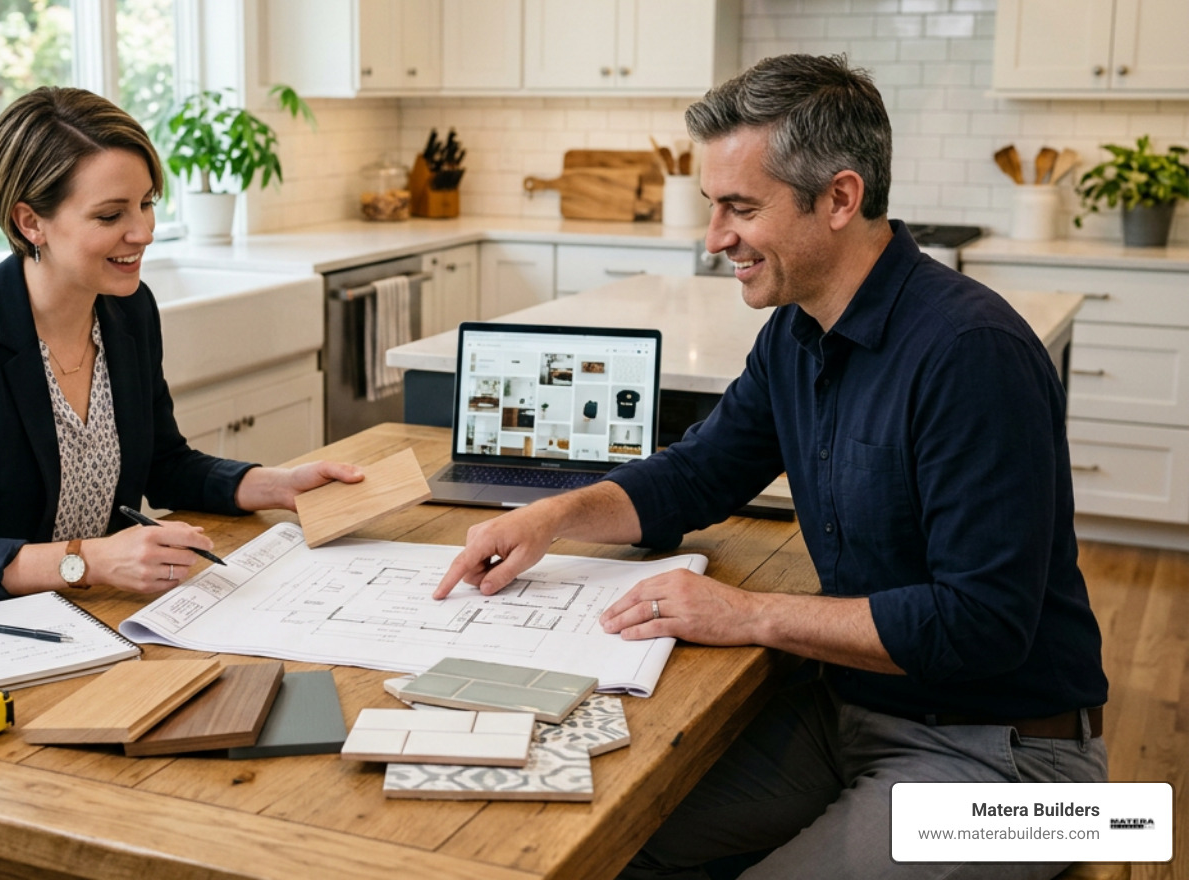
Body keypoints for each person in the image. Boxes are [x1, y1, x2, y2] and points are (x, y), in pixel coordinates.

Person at [433, 54, 1108, 880]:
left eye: (740, 208)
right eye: (716, 206)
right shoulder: (796, 333)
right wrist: (550, 518)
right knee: (602, 845)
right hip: (851, 715)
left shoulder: (970, 354)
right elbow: (699, 472)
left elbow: (980, 626)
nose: (716, 239)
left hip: (1011, 765)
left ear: (840, 198)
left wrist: (750, 613)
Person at [0, 87, 361, 610]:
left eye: (147, 203)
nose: (143, 232)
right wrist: (90, 561)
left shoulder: (127, 310)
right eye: (110, 216)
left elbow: (163, 464)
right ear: (30, 221)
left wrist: (278, 486)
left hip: (91, 615)